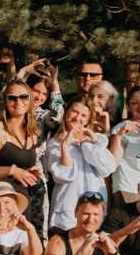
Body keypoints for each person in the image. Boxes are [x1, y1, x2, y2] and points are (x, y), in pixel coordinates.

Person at [0, 80, 48, 234]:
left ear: (30, 100)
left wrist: (29, 172)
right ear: (5, 102)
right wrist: (13, 170)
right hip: (2, 202)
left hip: (24, 198)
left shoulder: (31, 131)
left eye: (23, 97)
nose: (18, 101)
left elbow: (21, 164)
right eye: (12, 98)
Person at [44, 98, 117, 235]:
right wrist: (65, 145)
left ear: (88, 120)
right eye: (74, 112)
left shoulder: (94, 141)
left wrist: (91, 142)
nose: (78, 118)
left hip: (93, 208)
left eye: (83, 115)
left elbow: (108, 168)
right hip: (68, 210)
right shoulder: (54, 143)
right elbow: (63, 175)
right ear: (66, 113)